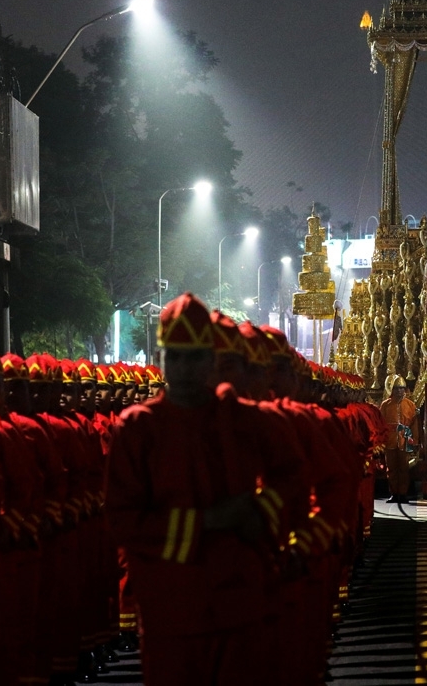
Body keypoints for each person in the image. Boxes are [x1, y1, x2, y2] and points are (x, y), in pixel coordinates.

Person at [105, 292, 273, 684]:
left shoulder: (240, 419)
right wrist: (208, 522)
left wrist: (265, 518)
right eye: (173, 356)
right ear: (161, 358)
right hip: (172, 608)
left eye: (194, 356)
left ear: (211, 360)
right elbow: (121, 521)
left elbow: (296, 474)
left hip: (239, 602)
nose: (183, 368)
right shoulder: (137, 428)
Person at [379, 375, 419, 503]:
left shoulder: (411, 405)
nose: (399, 391)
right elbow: (381, 424)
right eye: (396, 388)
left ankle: (403, 493)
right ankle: (394, 493)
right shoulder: (385, 405)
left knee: (404, 469)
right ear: (392, 389)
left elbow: (414, 425)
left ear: (405, 390)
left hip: (405, 441)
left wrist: (415, 441)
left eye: (401, 388)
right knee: (391, 469)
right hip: (390, 440)